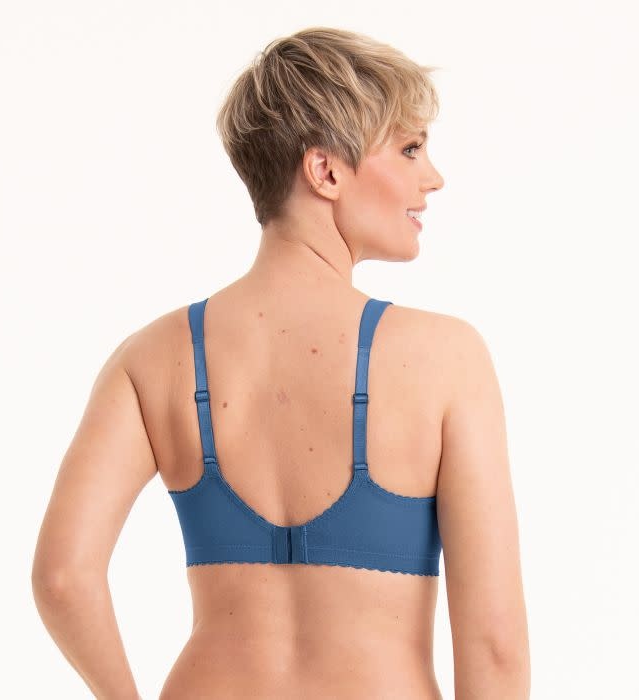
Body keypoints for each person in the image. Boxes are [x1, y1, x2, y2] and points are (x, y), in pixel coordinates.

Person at [31, 26, 530, 699]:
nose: (433, 177)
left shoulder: (150, 359)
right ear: (325, 171)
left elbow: (63, 577)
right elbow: (495, 645)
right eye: (410, 149)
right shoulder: (444, 357)